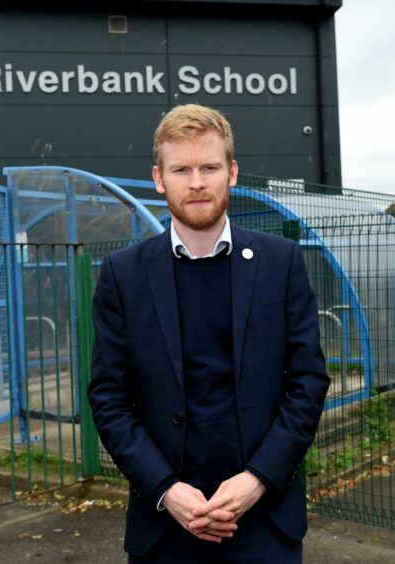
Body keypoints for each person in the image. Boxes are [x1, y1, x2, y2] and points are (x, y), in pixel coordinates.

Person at [88, 104, 329, 563]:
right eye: (181, 169)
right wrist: (165, 488)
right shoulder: (124, 275)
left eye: (209, 167)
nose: (196, 182)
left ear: (232, 173)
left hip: (264, 520)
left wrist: (257, 478)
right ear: (159, 178)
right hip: (165, 524)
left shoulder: (282, 263)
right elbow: (109, 398)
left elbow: (308, 383)